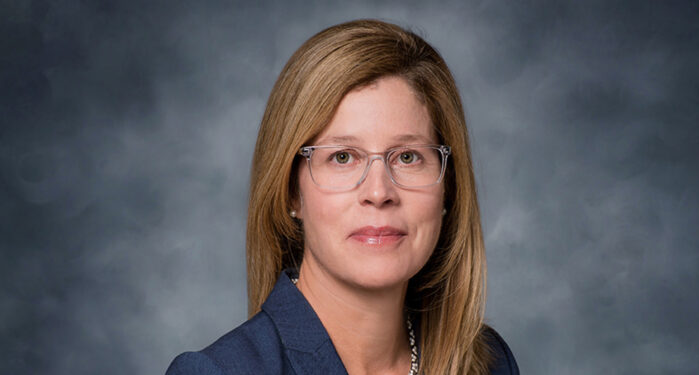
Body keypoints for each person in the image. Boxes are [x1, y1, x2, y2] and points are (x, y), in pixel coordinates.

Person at [166, 19, 519, 375]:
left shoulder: (490, 362)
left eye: (408, 157)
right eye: (343, 157)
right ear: (291, 192)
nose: (379, 193)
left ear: (448, 188)